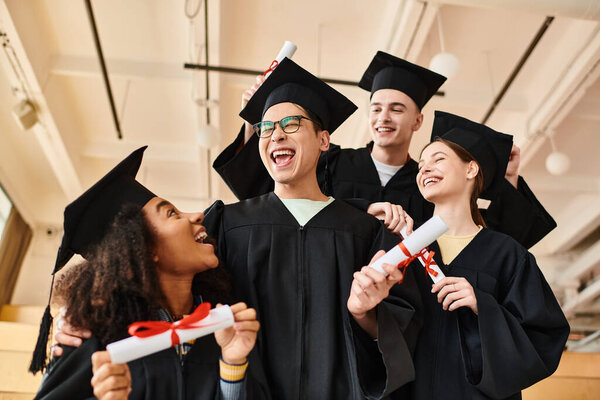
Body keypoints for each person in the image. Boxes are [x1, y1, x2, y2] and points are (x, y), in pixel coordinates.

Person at [49, 60, 421, 400]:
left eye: (291, 125)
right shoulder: (226, 223)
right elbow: (163, 286)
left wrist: (363, 313)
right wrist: (73, 316)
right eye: (265, 129)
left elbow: (402, 331)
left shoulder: (366, 231)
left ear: (325, 141)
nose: (276, 135)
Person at [213, 51, 556, 249]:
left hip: (406, 304)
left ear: (418, 121)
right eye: (376, 108)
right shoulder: (332, 163)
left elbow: (489, 236)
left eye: (396, 109)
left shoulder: (431, 183)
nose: (383, 117)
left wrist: (508, 179)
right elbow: (263, 191)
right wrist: (256, 120)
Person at [31, 147, 266, 400]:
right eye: (172, 213)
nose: (198, 215)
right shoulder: (92, 336)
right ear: (144, 248)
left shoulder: (220, 324)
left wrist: (233, 365)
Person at [408, 111, 569, 399]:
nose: (425, 169)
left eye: (438, 159)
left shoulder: (507, 253)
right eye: (421, 165)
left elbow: (545, 336)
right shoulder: (407, 247)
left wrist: (483, 306)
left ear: (471, 170)